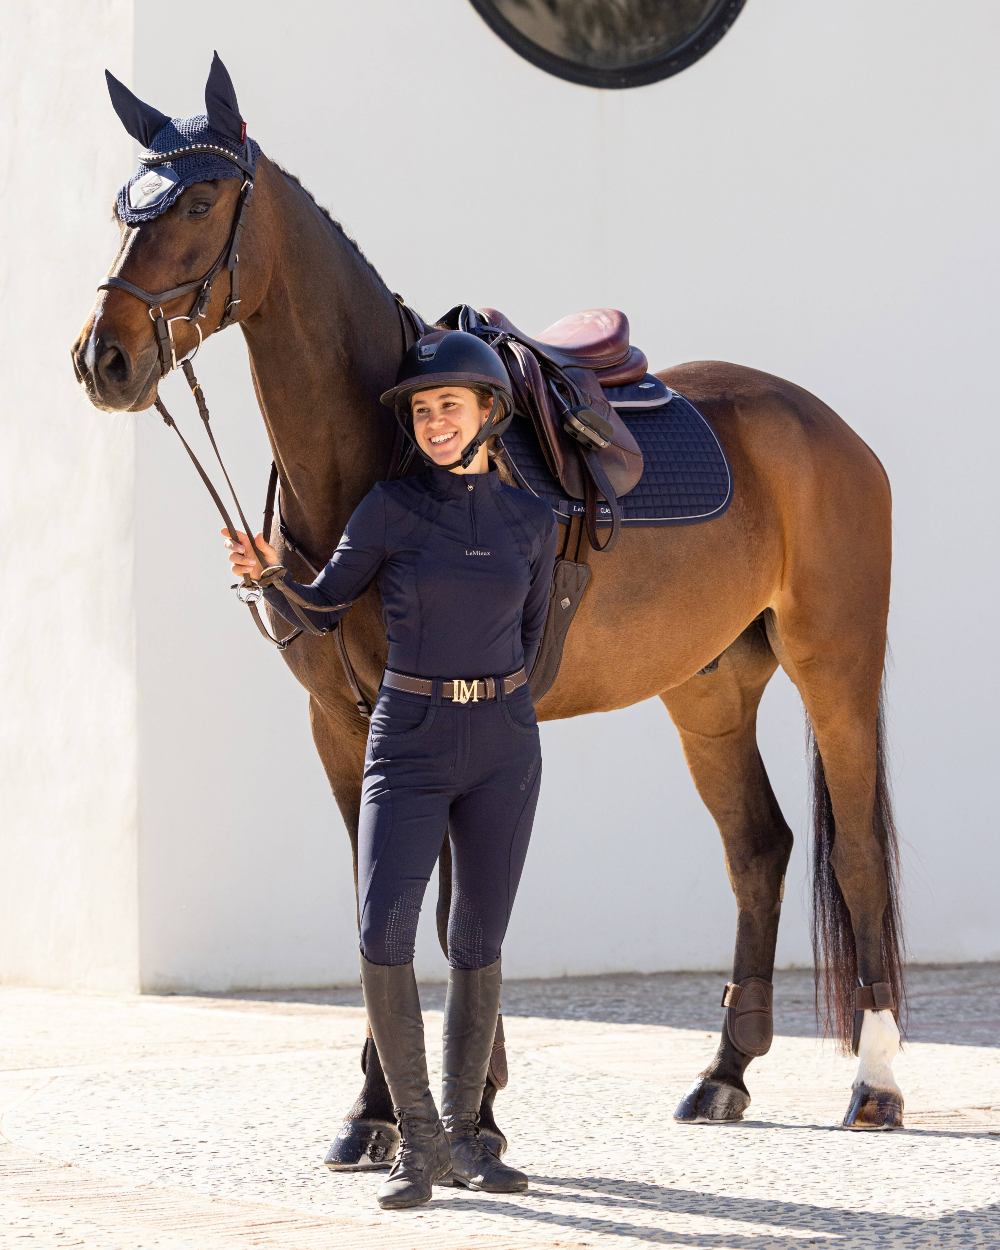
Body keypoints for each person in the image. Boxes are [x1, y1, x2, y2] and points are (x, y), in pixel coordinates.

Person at [222, 330, 558, 1210]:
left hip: (504, 748)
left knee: (479, 942)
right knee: (385, 932)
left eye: (449, 405)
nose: (434, 421)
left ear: (490, 413)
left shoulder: (533, 520)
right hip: (406, 738)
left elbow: (531, 638)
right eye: (421, 409)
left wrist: (501, 706)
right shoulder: (388, 508)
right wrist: (270, 578)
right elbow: (327, 607)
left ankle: (466, 1139)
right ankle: (417, 1145)